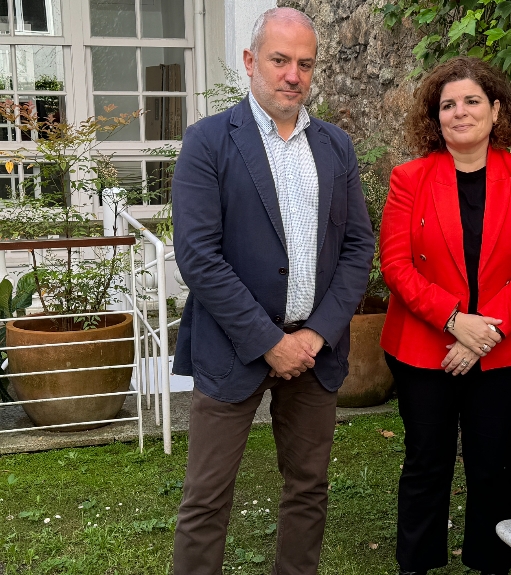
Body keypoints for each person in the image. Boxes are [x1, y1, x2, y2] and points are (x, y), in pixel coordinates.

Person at [171, 8, 374, 574]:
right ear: (250, 62)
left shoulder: (335, 146)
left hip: (315, 350)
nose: (293, 75)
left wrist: (314, 334)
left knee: (308, 489)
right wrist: (268, 341)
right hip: (233, 345)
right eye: (280, 60)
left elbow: (358, 247)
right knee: (207, 497)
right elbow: (198, 257)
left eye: (305, 64)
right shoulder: (208, 141)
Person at [379, 56, 511, 575]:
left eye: (472, 101)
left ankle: (490, 564)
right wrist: (456, 321)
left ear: (496, 110)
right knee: (426, 461)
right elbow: (396, 264)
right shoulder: (409, 178)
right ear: (436, 117)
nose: (460, 112)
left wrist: (484, 332)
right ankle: (417, 565)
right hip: (423, 345)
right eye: (447, 104)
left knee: (492, 464)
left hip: (504, 348)